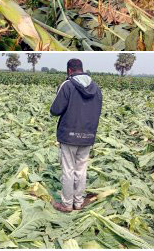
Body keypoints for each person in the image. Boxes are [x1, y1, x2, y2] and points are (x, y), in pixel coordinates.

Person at [49, 58, 103, 213]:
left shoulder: (68, 85)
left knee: (68, 170)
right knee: (81, 170)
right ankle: (78, 203)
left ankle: (67, 204)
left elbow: (55, 110)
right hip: (88, 136)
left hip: (69, 135)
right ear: (82, 69)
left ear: (69, 71)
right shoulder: (96, 88)